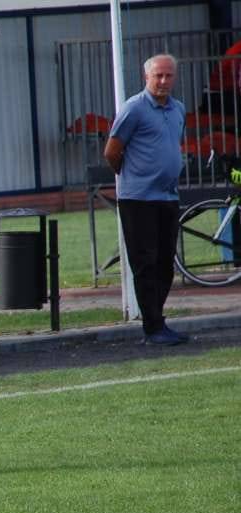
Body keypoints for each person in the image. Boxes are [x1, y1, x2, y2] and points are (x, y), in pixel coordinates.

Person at [104, 54, 189, 346]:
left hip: (167, 197)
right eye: (158, 76)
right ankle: (153, 327)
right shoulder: (133, 109)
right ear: (147, 78)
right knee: (146, 263)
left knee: (165, 262)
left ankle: (158, 318)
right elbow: (112, 152)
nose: (164, 81)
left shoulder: (179, 109)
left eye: (168, 76)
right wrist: (132, 177)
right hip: (138, 199)